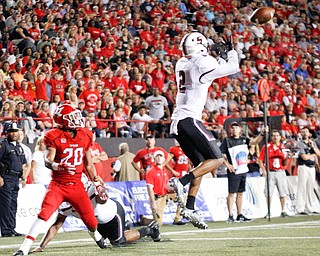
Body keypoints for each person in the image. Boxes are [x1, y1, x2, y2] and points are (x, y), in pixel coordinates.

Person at [13, 104, 106, 255]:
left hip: (77, 185)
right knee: (45, 213)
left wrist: (95, 179)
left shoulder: (86, 134)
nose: (77, 119)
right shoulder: (54, 135)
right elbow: (48, 160)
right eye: (72, 117)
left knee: (91, 222)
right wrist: (58, 166)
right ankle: (24, 248)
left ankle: (96, 235)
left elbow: (88, 163)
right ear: (63, 120)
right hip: (58, 184)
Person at [169, 31, 240, 229]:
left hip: (178, 122)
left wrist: (218, 57)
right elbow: (233, 67)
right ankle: (181, 182)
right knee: (217, 160)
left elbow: (203, 69)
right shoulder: (202, 62)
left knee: (201, 165)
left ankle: (189, 208)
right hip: (189, 119)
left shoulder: (182, 63)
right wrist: (230, 52)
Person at [31, 176, 160, 252]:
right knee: (105, 241)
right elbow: (56, 226)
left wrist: (101, 188)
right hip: (97, 223)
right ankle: (125, 227)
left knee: (118, 242)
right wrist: (41, 246)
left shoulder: (91, 191)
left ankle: (149, 229)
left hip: (113, 215)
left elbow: (101, 199)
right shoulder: (65, 204)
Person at [220, 122, 265, 223]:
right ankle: (230, 214)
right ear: (230, 130)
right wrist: (227, 165)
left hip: (243, 169)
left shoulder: (244, 139)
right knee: (231, 193)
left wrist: (261, 134)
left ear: (240, 129)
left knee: (240, 193)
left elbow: (254, 142)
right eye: (232, 128)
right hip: (234, 171)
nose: (234, 129)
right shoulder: (227, 141)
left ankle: (239, 214)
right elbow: (220, 155)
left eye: (236, 127)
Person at [0, 123, 27, 237]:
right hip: (5, 177)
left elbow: (23, 163)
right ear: (7, 132)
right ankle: (6, 230)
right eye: (11, 131)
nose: (14, 133)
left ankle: (12, 229)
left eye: (15, 131)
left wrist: (23, 177)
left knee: (13, 205)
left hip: (16, 178)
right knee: (5, 205)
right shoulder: (3, 145)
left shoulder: (19, 146)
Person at [258, 130, 290, 218]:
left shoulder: (283, 148)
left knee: (282, 192)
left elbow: (285, 163)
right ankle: (269, 211)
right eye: (274, 136)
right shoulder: (267, 147)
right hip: (270, 172)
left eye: (277, 135)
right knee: (268, 193)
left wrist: (288, 157)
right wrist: (264, 170)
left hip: (280, 171)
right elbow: (260, 159)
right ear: (271, 137)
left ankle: (283, 210)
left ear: (280, 137)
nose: (275, 137)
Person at [146, 150, 181, 226]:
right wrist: (153, 202)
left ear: (164, 159)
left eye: (161, 156)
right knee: (158, 223)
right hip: (158, 198)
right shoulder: (151, 172)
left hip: (166, 195)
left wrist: (173, 191)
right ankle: (145, 221)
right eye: (157, 156)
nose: (159, 158)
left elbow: (166, 185)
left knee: (183, 196)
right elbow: (149, 188)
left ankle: (177, 218)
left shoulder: (165, 170)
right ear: (154, 159)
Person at [295, 127, 320, 214]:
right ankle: (299, 208)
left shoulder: (312, 143)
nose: (305, 133)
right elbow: (304, 157)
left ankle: (309, 207)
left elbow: (318, 154)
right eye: (303, 132)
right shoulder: (299, 144)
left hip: (312, 167)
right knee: (302, 187)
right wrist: (313, 155)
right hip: (304, 167)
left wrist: (313, 147)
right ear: (301, 134)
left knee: (310, 188)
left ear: (309, 134)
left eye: (306, 132)